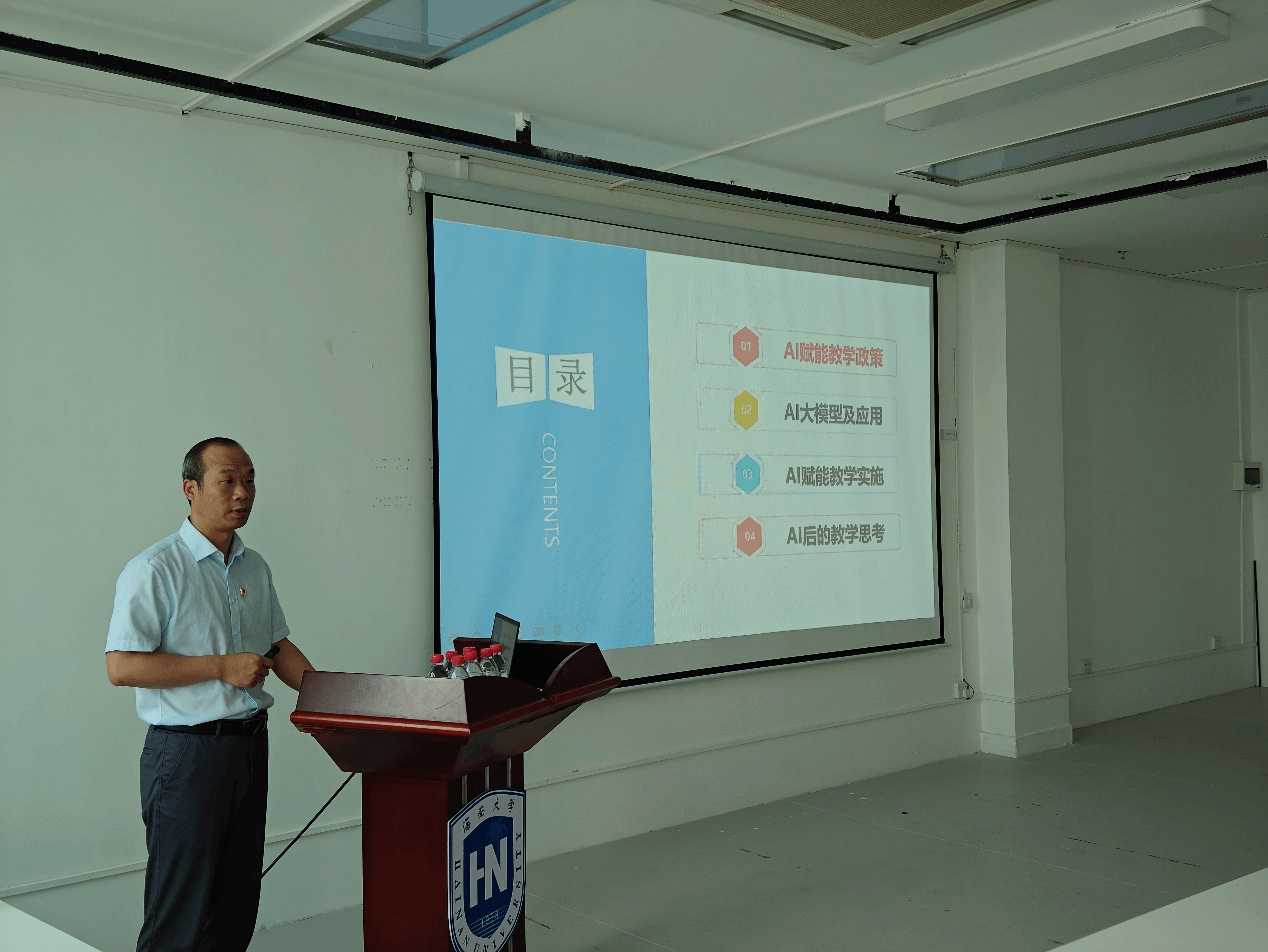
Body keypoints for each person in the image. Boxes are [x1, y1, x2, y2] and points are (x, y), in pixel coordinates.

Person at [105, 438, 315, 952]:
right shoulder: (155, 569)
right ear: (190, 488)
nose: (242, 492)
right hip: (186, 757)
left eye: (250, 480)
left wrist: (332, 696)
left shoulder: (253, 566)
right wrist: (221, 666)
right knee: (180, 918)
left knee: (236, 908)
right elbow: (121, 666)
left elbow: (276, 645)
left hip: (249, 749)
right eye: (228, 481)